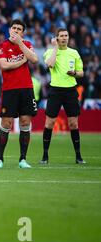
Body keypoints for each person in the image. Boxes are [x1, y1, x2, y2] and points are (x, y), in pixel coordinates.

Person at [0, 19, 39, 169]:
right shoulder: (2, 46)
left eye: (19, 29)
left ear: (22, 32)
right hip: (9, 90)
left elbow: (34, 59)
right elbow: (4, 65)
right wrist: (21, 61)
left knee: (25, 123)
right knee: (6, 123)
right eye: (14, 28)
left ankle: (23, 159)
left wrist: (20, 44)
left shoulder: (26, 44)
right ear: (9, 30)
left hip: (26, 89)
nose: (16, 31)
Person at [41, 28, 86, 164]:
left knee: (73, 123)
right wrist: (55, 47)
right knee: (49, 123)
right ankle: (45, 155)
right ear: (57, 38)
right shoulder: (50, 52)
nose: (64, 38)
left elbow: (81, 72)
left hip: (71, 90)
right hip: (55, 90)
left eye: (66, 35)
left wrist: (75, 73)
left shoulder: (74, 53)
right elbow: (50, 64)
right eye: (61, 36)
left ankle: (78, 156)